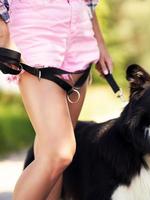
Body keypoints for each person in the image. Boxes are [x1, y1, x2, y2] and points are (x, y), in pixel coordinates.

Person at [0, 0, 113, 199]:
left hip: (81, 42)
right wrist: (3, 30)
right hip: (36, 39)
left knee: (52, 160)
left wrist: (100, 43)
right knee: (59, 153)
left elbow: (90, 3)